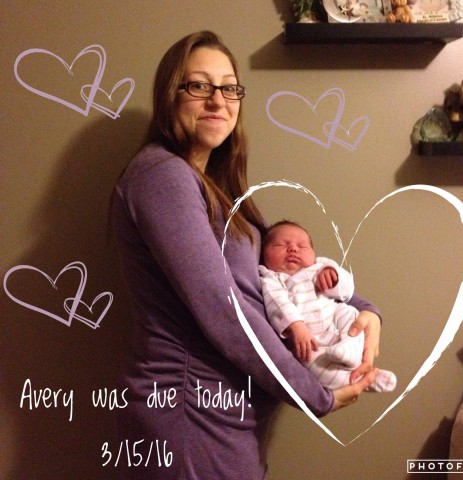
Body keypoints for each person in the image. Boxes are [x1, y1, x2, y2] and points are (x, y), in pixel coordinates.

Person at [111, 30, 381, 480]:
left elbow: (278, 273)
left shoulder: (217, 188)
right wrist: (315, 396)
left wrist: (365, 311)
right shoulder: (162, 176)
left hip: (225, 416)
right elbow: (224, 307)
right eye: (199, 85)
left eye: (230, 87)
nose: (218, 100)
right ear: (169, 95)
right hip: (189, 415)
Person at [259, 220, 396, 392]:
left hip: (335, 322)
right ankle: (363, 379)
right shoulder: (271, 278)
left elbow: (347, 291)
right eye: (281, 245)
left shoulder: (320, 266)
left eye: (302, 246)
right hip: (309, 339)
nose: (293, 249)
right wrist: (296, 326)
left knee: (351, 313)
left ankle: (350, 347)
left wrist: (334, 277)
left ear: (314, 253)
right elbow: (277, 303)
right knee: (313, 364)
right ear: (263, 253)